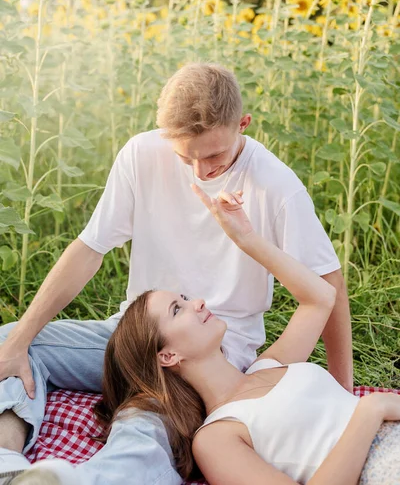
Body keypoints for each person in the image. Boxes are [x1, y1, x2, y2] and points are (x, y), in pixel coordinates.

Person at [0, 63, 352, 484]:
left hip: (214, 352)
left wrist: (343, 391)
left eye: (215, 155)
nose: (202, 171)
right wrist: (20, 341)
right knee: (11, 341)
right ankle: (8, 462)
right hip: (137, 330)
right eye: (187, 156)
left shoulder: (276, 185)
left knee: (144, 421)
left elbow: (328, 284)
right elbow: (90, 249)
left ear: (243, 124)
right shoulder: (141, 153)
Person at [95, 185, 400, 485]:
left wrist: (247, 238)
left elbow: (321, 296)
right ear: (168, 355)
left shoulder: (269, 365)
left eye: (186, 297)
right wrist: (371, 411)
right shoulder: (215, 437)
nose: (198, 302)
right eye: (178, 309)